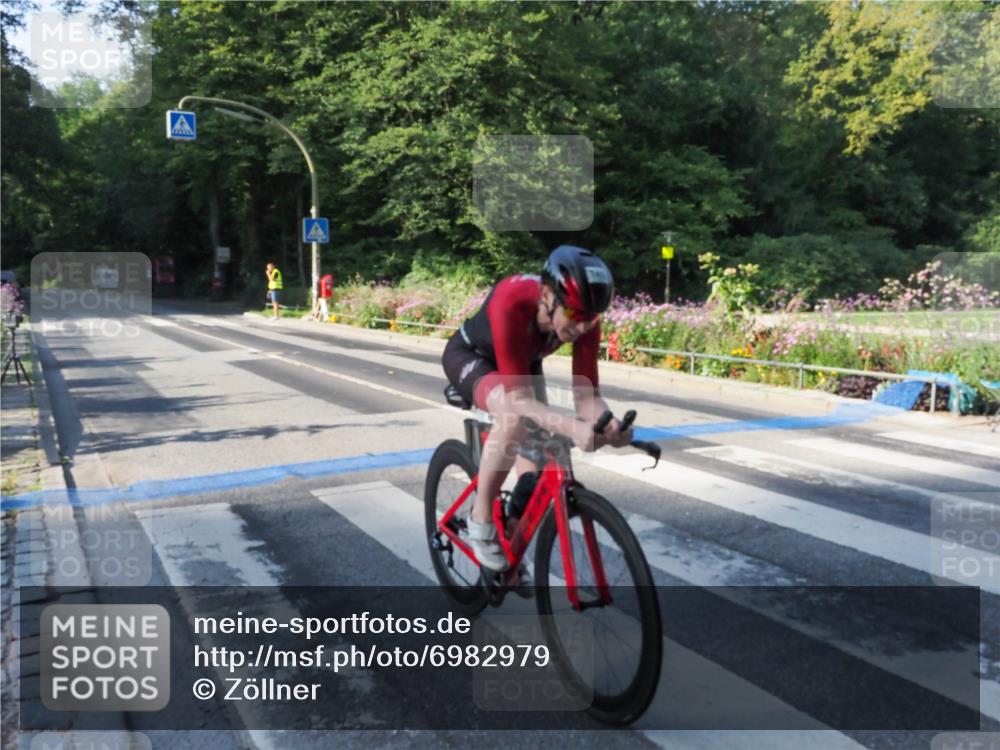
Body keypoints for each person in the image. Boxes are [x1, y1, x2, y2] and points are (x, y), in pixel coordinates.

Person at [441, 245, 632, 571]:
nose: (583, 328)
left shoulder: (585, 318)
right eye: (575, 316)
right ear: (547, 296)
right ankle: (480, 516)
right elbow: (518, 402)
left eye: (591, 319)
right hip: (473, 357)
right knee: (515, 417)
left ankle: (511, 552)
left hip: (522, 364)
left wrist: (609, 423)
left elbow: (587, 397)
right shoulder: (512, 300)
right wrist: (573, 427)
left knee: (536, 476)